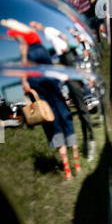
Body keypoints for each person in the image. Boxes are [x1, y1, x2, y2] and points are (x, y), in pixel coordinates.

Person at [1, 18, 80, 179]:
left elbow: (23, 49)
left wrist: (24, 81)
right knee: (63, 111)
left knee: (50, 116)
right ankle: (76, 161)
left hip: (33, 65)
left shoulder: (15, 34)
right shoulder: (33, 34)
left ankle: (66, 167)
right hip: (45, 61)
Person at [29, 20, 96, 162]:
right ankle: (84, 143)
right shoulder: (45, 38)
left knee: (81, 107)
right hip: (60, 63)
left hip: (66, 61)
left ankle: (90, 143)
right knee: (77, 108)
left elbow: (63, 38)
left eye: (34, 24)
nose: (33, 26)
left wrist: (66, 51)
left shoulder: (48, 30)